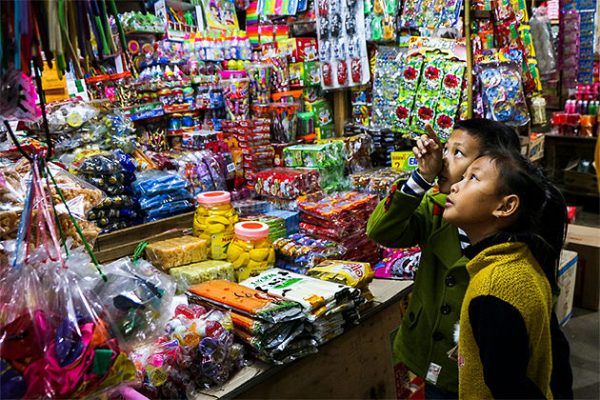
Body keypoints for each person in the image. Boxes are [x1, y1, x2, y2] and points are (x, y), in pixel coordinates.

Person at [367, 118, 521, 398]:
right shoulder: (436, 208)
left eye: (457, 153)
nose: (439, 160)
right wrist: (420, 179)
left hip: (483, 367)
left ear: (490, 167)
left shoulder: (516, 236)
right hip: (429, 350)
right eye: (445, 149)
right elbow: (381, 231)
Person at [443, 151, 573, 399]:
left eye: (473, 178)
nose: (456, 186)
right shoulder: (522, 259)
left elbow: (509, 389)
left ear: (506, 206)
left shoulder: (493, 289)